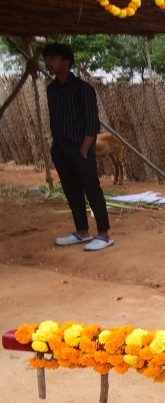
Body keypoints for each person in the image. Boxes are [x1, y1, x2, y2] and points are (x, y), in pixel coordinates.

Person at [43, 43, 113, 251]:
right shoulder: (52, 90)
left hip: (80, 150)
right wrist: (56, 148)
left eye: (52, 59)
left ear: (66, 62)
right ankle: (82, 232)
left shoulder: (83, 89)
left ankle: (104, 234)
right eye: (47, 59)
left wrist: (84, 150)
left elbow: (92, 124)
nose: (48, 63)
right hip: (61, 150)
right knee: (72, 192)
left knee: (92, 191)